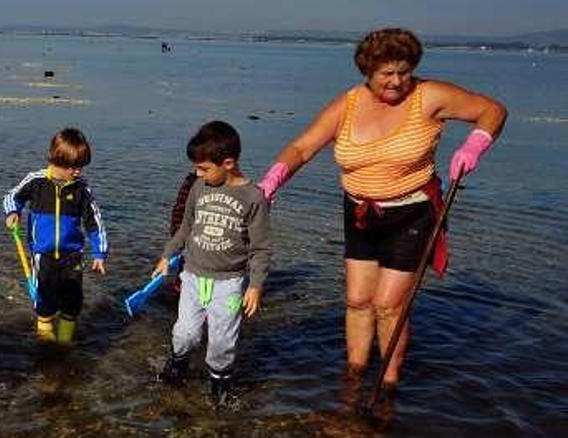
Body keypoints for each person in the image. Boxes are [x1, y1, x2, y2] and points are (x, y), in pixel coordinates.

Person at [256, 28, 506, 389]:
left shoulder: (429, 95)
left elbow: (492, 110)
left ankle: (388, 384)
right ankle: (355, 376)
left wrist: (476, 143)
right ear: (367, 71)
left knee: (388, 305)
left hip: (412, 212)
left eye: (403, 71)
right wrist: (272, 180)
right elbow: (303, 147)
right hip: (359, 212)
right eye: (386, 74)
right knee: (358, 300)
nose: (396, 81)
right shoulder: (349, 103)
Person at [154, 121, 270, 407]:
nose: (198, 173)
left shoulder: (253, 198)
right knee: (184, 333)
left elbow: (260, 249)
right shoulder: (198, 187)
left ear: (228, 163)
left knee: (221, 341)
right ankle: (177, 364)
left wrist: (255, 285)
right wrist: (167, 255)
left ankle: (220, 384)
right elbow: (185, 228)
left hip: (229, 284)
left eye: (204, 168)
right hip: (193, 276)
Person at [2, 127, 108, 344]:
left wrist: (100, 252)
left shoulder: (82, 190)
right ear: (57, 160)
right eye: (73, 167)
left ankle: (64, 344)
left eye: (81, 166)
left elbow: (94, 222)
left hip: (72, 256)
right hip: (43, 254)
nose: (78, 171)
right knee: (45, 302)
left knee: (72, 302)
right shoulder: (36, 181)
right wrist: (13, 212)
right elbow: (12, 196)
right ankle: (46, 344)